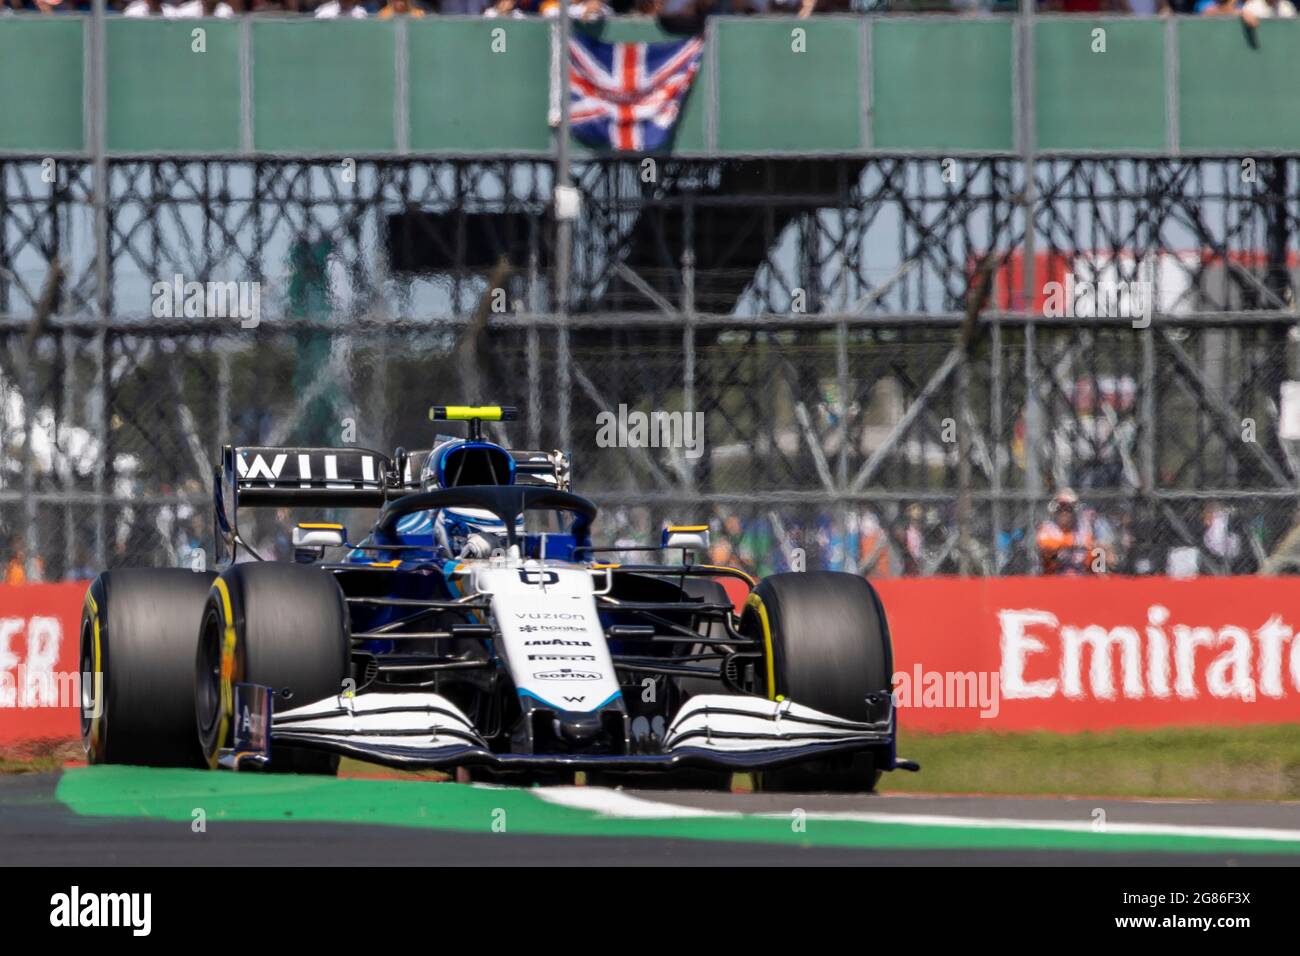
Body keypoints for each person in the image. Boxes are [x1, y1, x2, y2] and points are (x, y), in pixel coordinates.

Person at [1036, 488, 1104, 575]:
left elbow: (1091, 547)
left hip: (1080, 576)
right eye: (1060, 508)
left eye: (1068, 509)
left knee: (1099, 553)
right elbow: (1046, 545)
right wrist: (1072, 542)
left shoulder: (1083, 528)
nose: (1064, 512)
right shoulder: (1048, 527)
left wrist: (1096, 549)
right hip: (1055, 576)